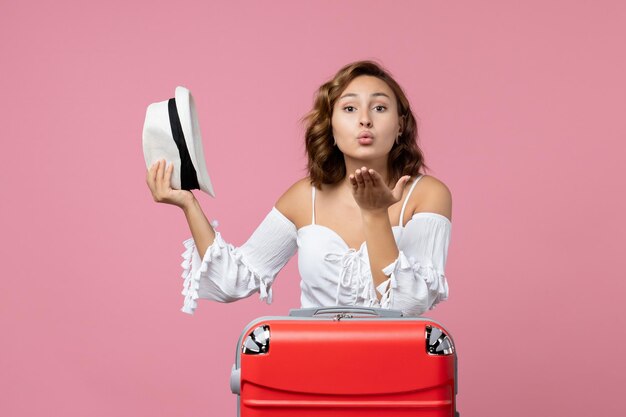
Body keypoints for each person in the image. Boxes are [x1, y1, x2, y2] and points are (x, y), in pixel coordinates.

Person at [146, 61, 452, 316]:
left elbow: (408, 304)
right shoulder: (305, 197)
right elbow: (233, 281)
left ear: (400, 125)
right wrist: (188, 203)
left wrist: (374, 215)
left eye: (380, 108)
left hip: (395, 372)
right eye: (349, 109)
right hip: (309, 367)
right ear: (330, 125)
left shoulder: (426, 195)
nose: (364, 120)